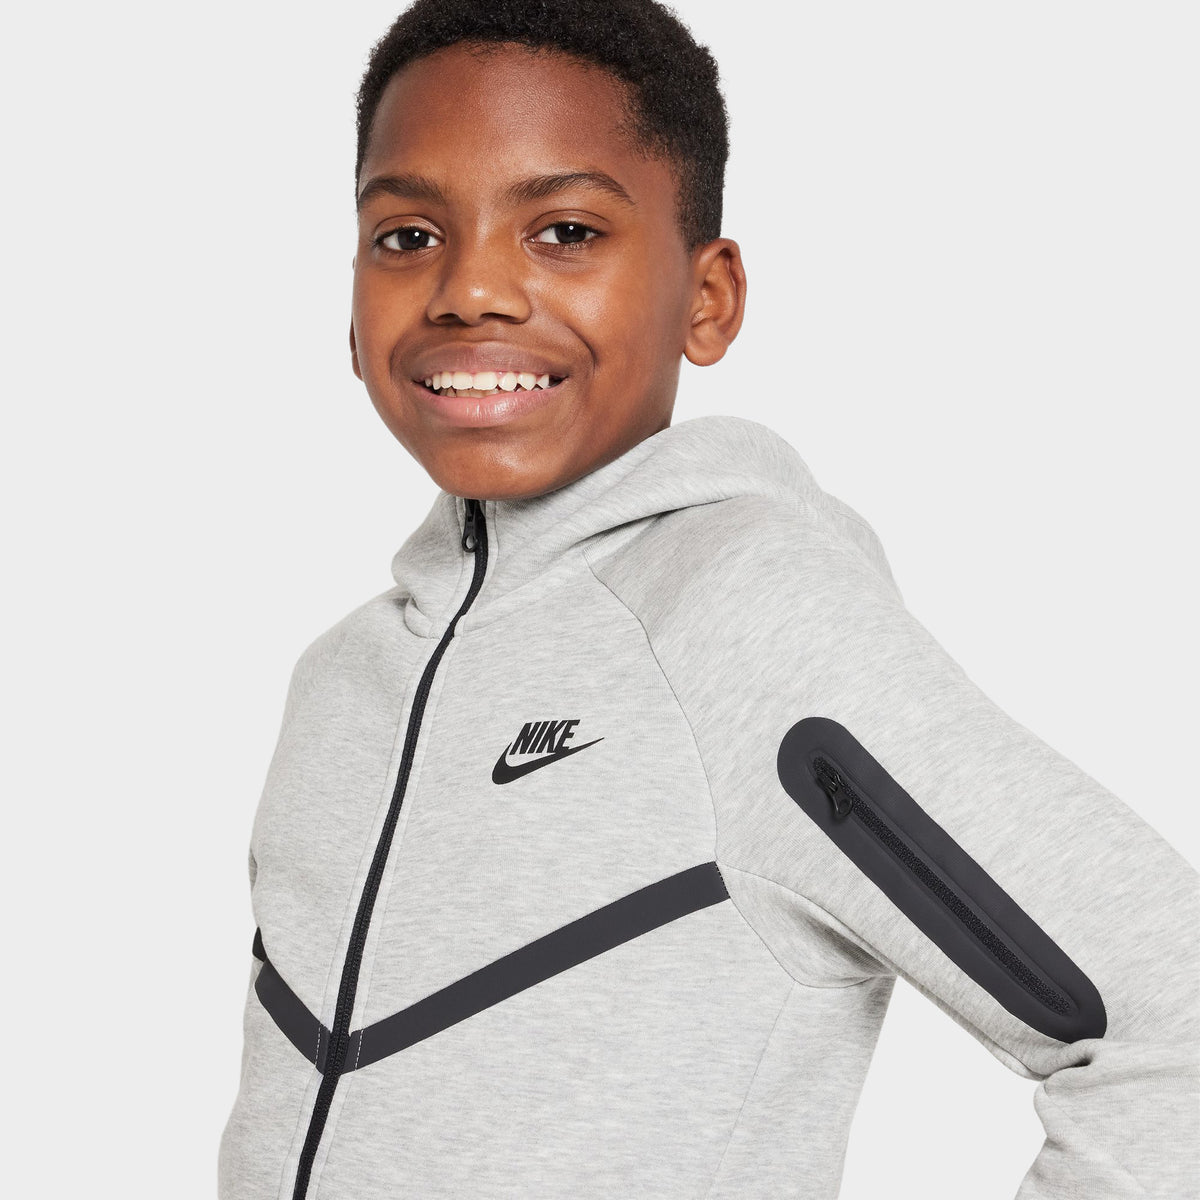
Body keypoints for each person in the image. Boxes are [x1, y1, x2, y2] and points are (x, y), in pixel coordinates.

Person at [218, 1, 1199, 1197]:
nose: (470, 288)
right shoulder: (339, 682)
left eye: (565, 231)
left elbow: (1172, 1023)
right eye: (409, 235)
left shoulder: (744, 621)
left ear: (707, 298)